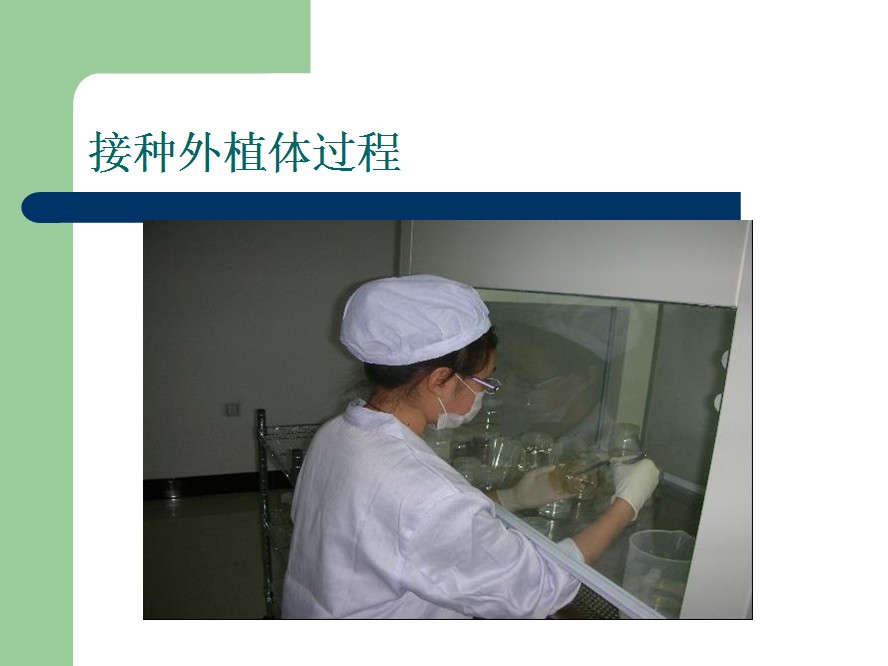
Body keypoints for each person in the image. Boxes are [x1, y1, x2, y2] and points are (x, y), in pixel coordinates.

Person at [281, 274, 659, 619]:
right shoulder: (422, 491)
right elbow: (539, 587)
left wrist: (511, 497)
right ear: (440, 380)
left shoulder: (336, 434)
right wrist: (626, 504)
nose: (485, 393)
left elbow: (397, 529)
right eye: (484, 381)